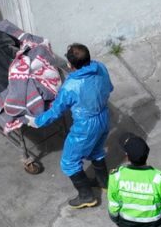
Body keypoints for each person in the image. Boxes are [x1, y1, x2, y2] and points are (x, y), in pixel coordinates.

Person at [26, 43, 113, 209]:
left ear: (70, 65)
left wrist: (36, 121)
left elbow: (56, 111)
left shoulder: (70, 86)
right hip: (103, 116)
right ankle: (104, 181)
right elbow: (109, 88)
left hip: (85, 127)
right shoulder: (100, 67)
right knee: (97, 150)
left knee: (69, 162)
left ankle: (87, 196)